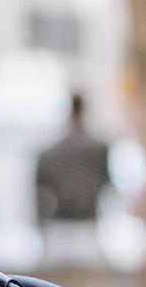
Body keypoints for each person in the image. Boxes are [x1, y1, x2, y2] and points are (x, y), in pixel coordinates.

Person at [35, 92, 112, 263]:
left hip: (60, 227)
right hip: (85, 225)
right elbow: (107, 184)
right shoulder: (98, 150)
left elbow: (39, 193)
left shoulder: (50, 154)